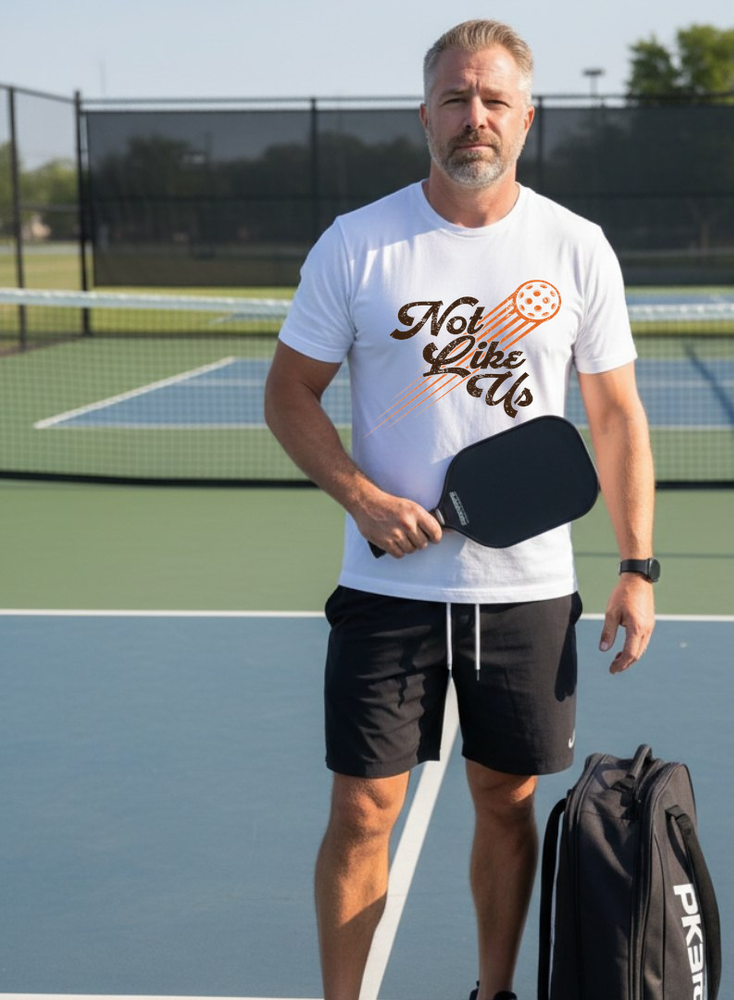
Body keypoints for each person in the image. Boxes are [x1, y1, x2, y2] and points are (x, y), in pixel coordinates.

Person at [264, 19, 657, 1000]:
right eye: (453, 97)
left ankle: (492, 992)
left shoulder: (575, 248)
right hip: (386, 586)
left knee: (505, 798)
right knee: (362, 808)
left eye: (492, 100)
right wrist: (359, 495)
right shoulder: (358, 243)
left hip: (526, 589)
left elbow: (613, 415)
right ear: (425, 114)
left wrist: (637, 565)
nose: (472, 116)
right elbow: (286, 392)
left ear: (527, 117)